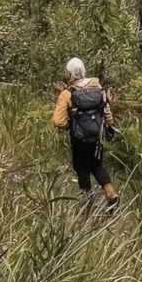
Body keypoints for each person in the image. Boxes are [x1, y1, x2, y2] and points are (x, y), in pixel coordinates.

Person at [53, 57, 119, 209]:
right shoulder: (98, 88)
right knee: (97, 165)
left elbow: (58, 121)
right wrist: (108, 126)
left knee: (81, 168)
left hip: (79, 139)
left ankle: (87, 204)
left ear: (68, 74)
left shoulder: (67, 93)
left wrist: (72, 125)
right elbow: (107, 112)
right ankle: (111, 193)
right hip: (97, 136)